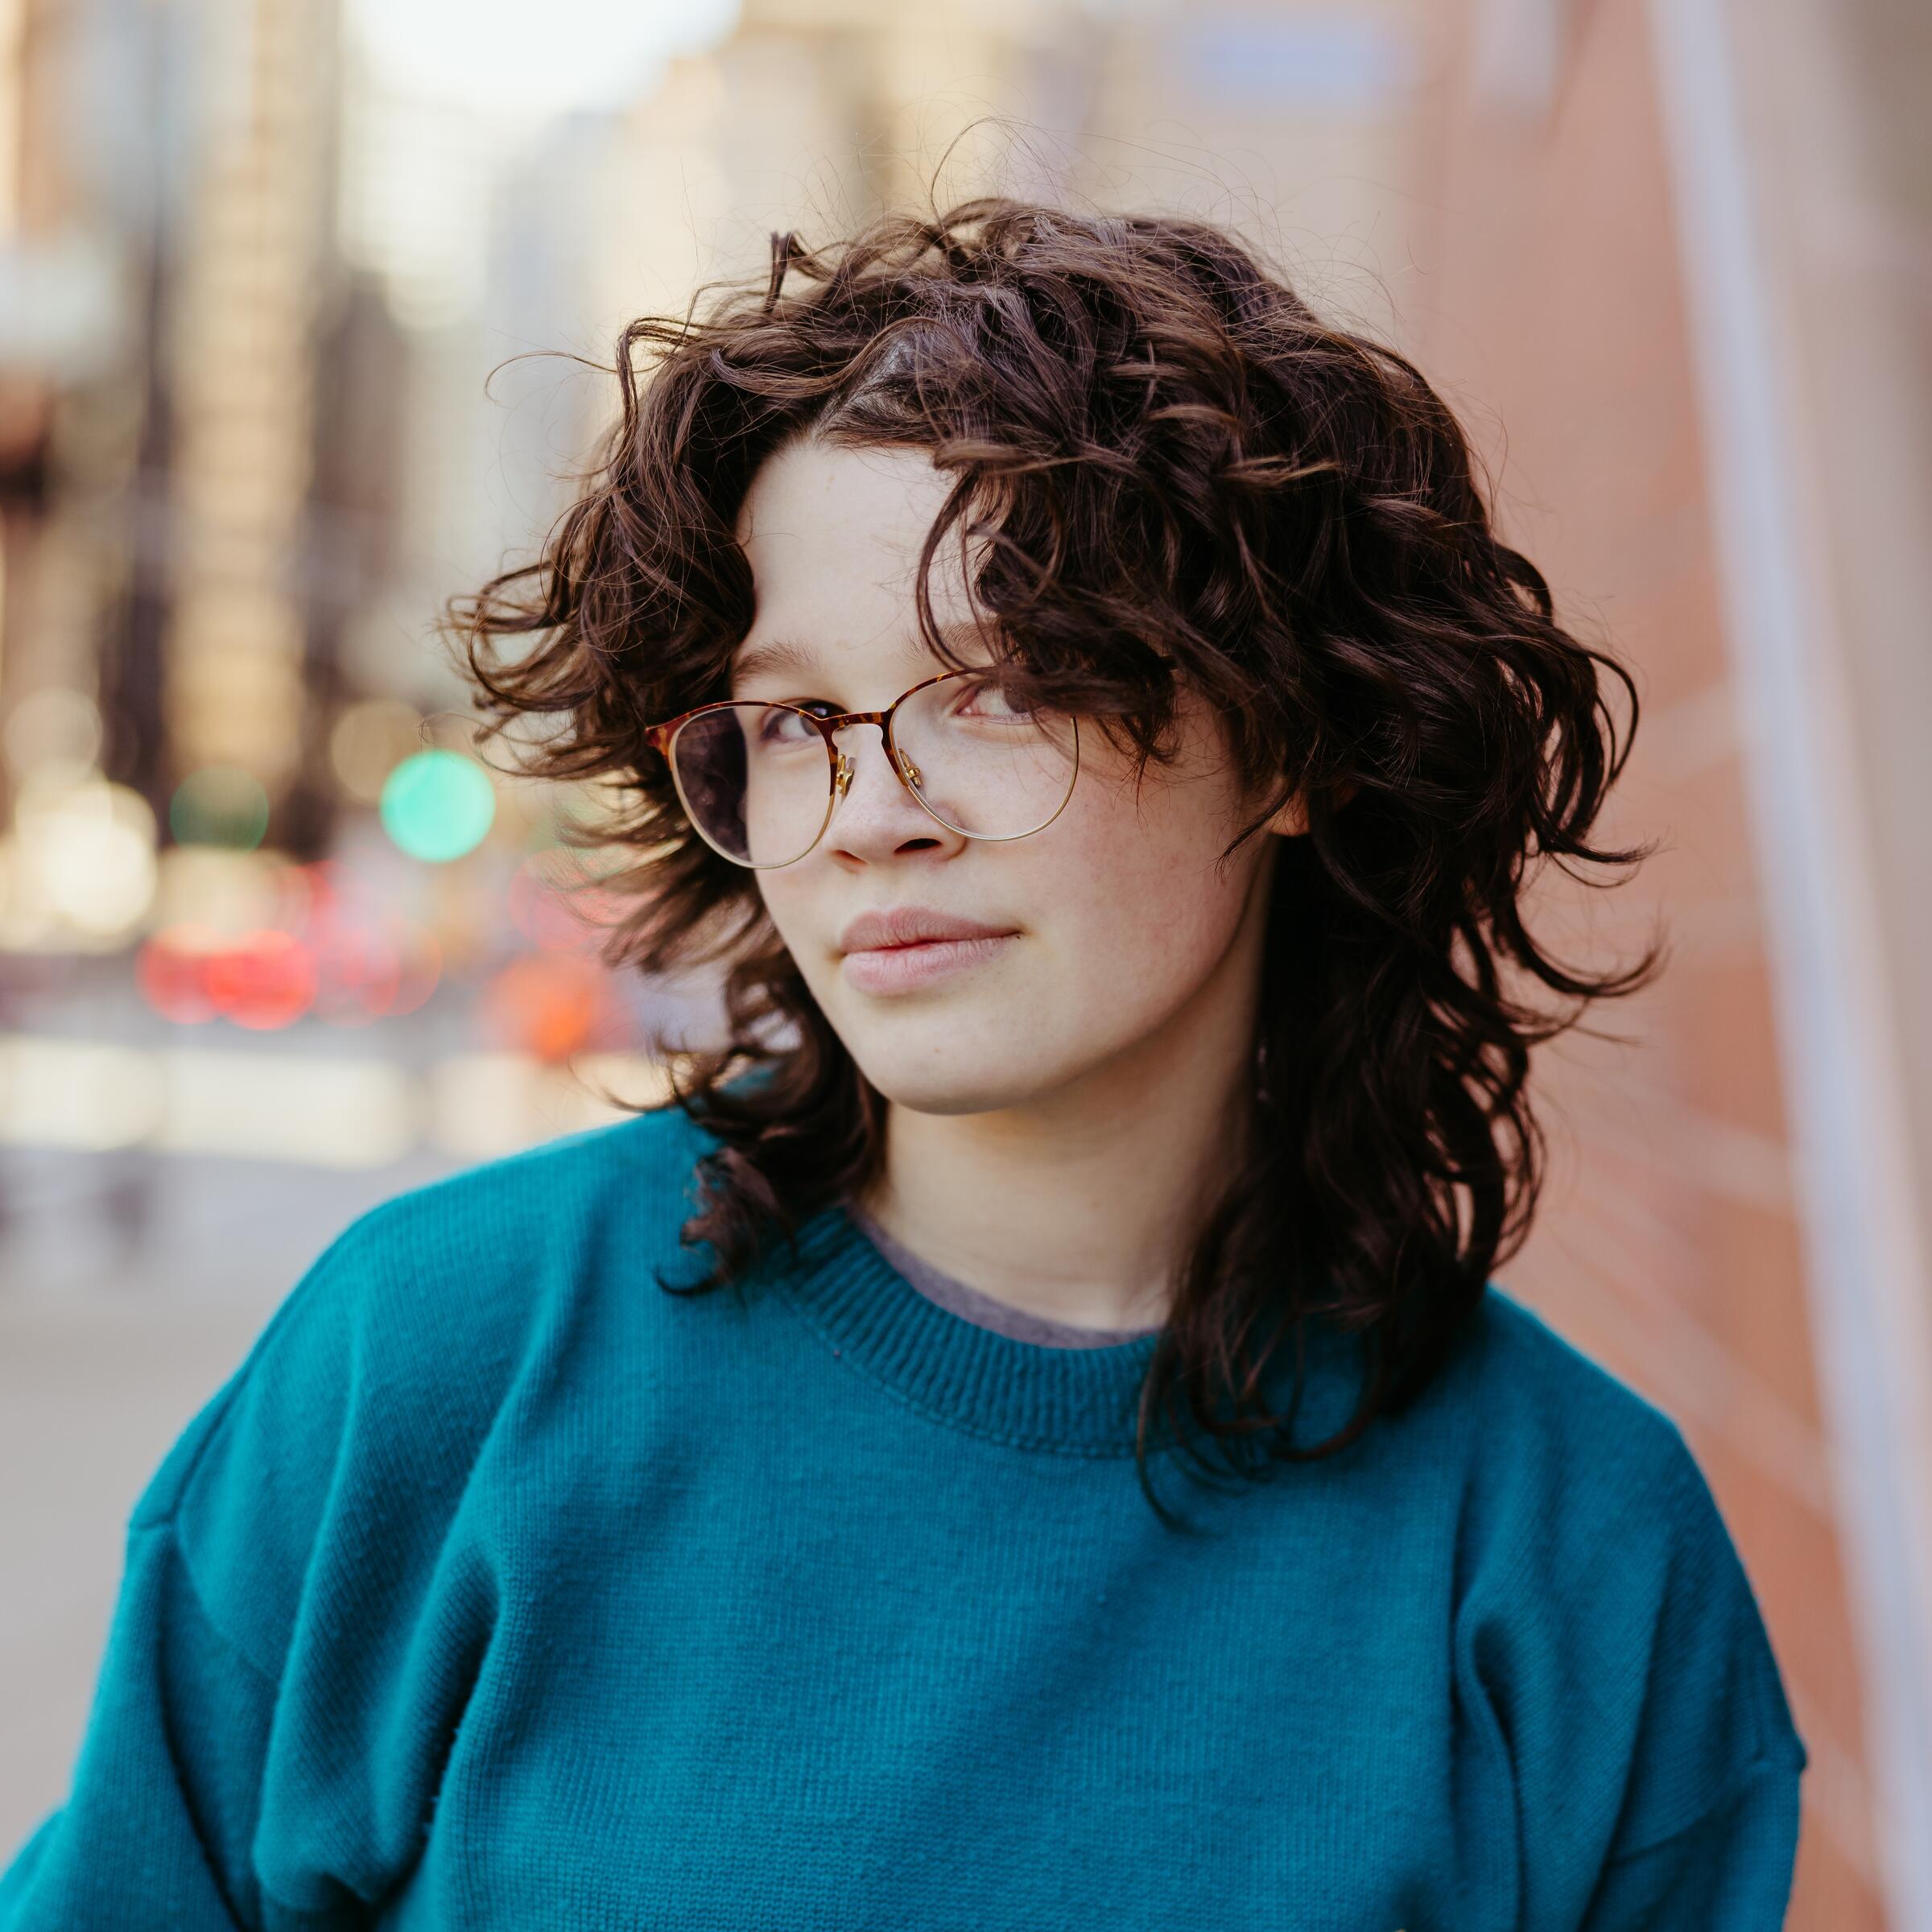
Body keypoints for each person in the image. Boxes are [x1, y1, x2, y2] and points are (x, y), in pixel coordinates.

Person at [1, 200, 1806, 1929]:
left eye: (1006, 686)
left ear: (1289, 742)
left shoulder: (1577, 1558)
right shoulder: (441, 1362)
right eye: (796, 724)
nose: (870, 817)